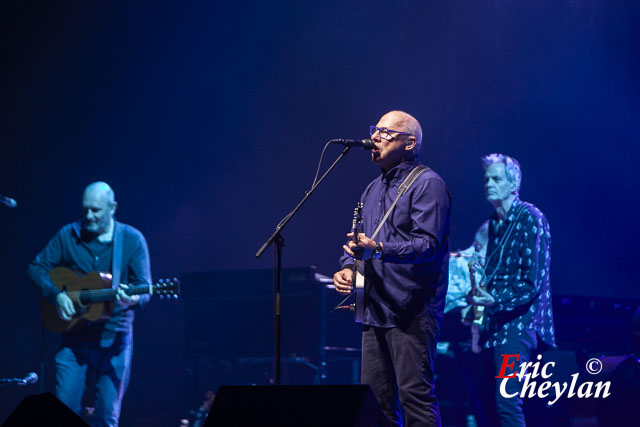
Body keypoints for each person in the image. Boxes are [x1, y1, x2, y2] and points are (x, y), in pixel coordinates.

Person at [333, 111, 451, 426]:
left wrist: (380, 249)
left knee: (416, 399)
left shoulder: (428, 184)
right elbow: (360, 245)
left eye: (385, 132)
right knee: (375, 406)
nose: (374, 137)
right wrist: (347, 267)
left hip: (411, 309)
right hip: (375, 310)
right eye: (375, 130)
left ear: (409, 143)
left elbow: (428, 246)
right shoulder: (371, 190)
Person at [27, 182, 151, 427]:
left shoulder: (132, 240)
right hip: (74, 338)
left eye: (96, 210)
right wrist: (56, 295)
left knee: (106, 417)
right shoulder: (68, 234)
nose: (88, 216)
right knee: (61, 414)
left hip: (114, 340)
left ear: (113, 208)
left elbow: (145, 288)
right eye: (85, 210)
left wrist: (133, 298)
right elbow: (35, 267)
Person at [470, 154, 556, 427]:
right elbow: (489, 277)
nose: (489, 184)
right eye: (486, 179)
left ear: (514, 182)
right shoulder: (491, 226)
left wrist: (494, 299)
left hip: (518, 328)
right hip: (494, 328)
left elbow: (533, 281)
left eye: (496, 178)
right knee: (489, 407)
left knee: (508, 404)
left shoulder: (530, 217)